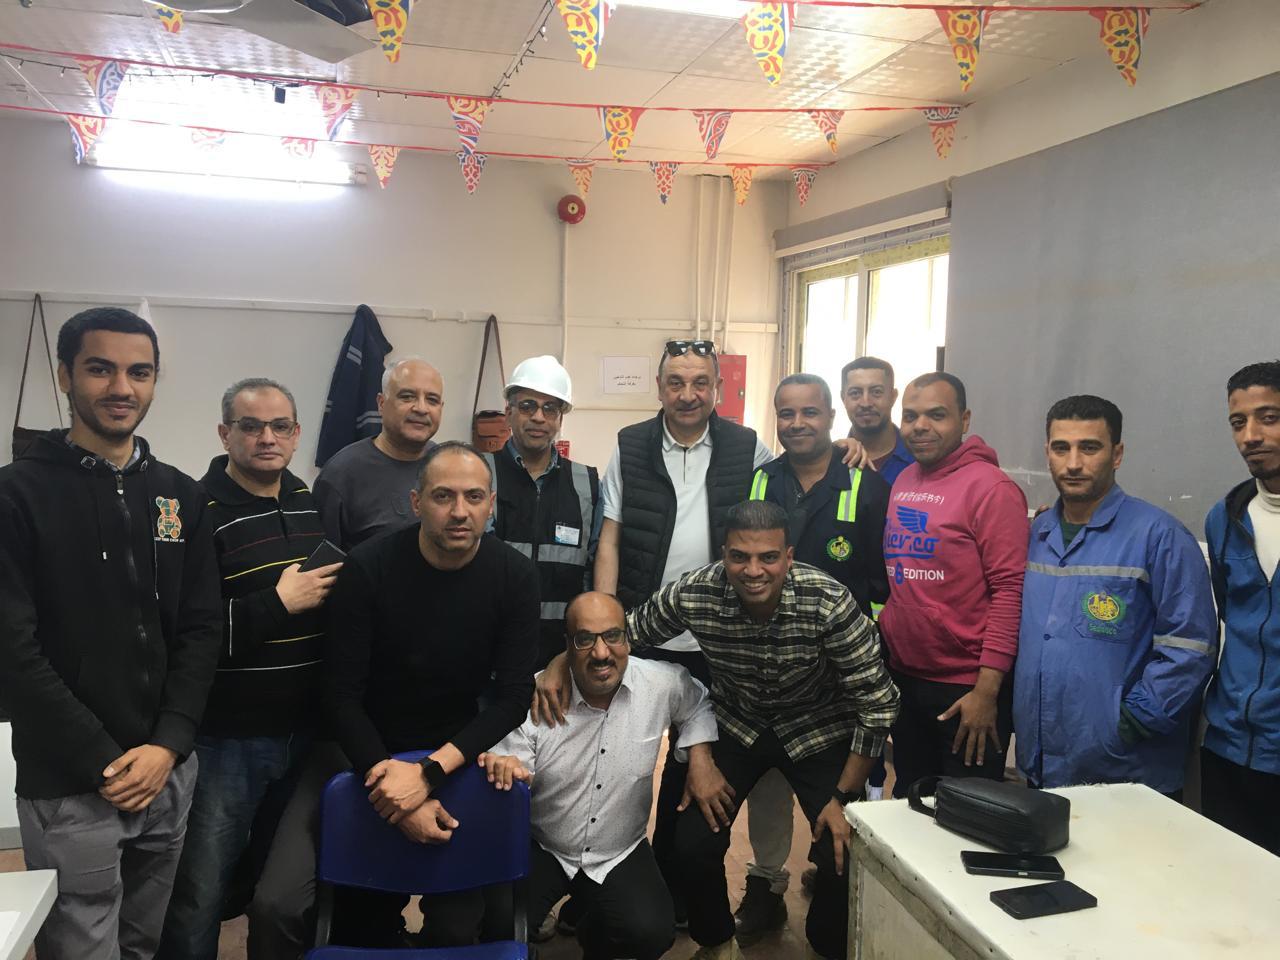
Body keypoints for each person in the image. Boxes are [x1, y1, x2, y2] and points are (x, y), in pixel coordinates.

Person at [540, 501, 898, 960]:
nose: (754, 571)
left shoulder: (828, 601)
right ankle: (716, 942)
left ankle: (827, 945)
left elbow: (879, 702)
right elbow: (618, 634)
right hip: (737, 724)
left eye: (768, 557)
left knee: (840, 849)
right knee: (692, 843)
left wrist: (843, 796)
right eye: (739, 557)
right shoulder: (697, 592)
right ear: (723, 554)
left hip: (817, 729)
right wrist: (560, 660)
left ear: (789, 557)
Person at [0, 307, 222, 960]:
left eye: (139, 372)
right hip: (71, 781)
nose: (122, 387)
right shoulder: (16, 495)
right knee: (82, 949)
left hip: (167, 772)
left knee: (140, 946)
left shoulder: (179, 496)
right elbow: (11, 649)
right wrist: (104, 758)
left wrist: (169, 743)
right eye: (101, 369)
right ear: (64, 376)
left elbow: (202, 628)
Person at [318, 441, 539, 947]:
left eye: (474, 496)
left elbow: (512, 697)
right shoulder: (369, 567)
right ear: (416, 503)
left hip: (453, 752)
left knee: (459, 927)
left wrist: (429, 774)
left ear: (491, 504)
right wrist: (391, 788)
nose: (460, 511)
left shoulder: (515, 576)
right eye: (443, 496)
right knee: (363, 925)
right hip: (370, 753)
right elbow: (340, 694)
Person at [588, 339, 774, 924]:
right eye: (676, 382)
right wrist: (608, 619)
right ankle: (603, 884)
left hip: (721, 637)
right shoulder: (631, 445)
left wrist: (848, 447)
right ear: (660, 387)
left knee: (695, 759)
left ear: (717, 387)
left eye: (700, 383)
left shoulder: (748, 447)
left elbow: (793, 486)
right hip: (646, 629)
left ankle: (676, 887)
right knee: (624, 756)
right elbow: (611, 537)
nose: (688, 394)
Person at [159, 378, 340, 959]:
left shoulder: (308, 501)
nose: (267, 438)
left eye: (280, 426)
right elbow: (187, 636)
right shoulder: (196, 510)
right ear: (224, 433)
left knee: (276, 888)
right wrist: (278, 603)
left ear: (297, 434)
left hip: (305, 736)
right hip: (226, 742)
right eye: (251, 426)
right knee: (200, 893)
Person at [479, 592, 728, 960]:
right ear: (567, 645)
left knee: (651, 933)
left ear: (627, 638)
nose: (601, 653)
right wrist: (509, 771)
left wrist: (700, 757)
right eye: (585, 639)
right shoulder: (537, 696)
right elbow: (511, 761)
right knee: (498, 922)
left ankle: (596, 938)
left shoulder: (660, 683)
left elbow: (697, 704)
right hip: (544, 844)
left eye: (613, 636)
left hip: (619, 849)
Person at [734, 373, 891, 942]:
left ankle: (836, 873)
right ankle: (766, 883)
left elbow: (881, 581)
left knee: (839, 784)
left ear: (831, 417)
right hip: (769, 665)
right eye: (787, 413)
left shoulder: (866, 486)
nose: (798, 423)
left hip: (839, 677)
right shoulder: (759, 480)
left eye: (810, 412)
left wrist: (868, 650)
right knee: (768, 781)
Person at [1014, 395, 1215, 797]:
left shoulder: (1159, 536)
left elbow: (1191, 645)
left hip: (1126, 769)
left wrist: (1131, 720)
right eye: (1061, 448)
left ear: (1117, 454)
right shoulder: (1038, 534)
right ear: (1047, 452)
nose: (1073, 463)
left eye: (1089, 447)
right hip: (1042, 761)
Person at [879, 372, 1028, 797]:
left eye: (936, 415)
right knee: (910, 801)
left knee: (965, 813)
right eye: (910, 416)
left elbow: (1009, 591)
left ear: (964, 420)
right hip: (907, 679)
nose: (920, 426)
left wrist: (987, 691)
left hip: (966, 689)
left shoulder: (992, 488)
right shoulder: (906, 479)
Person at [1202, 360, 1280, 852]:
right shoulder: (1224, 518)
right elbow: (1232, 614)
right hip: (1229, 749)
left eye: (1269, 418)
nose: (1250, 436)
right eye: (1238, 422)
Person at [486, 356, 602, 668]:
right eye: (528, 406)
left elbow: (592, 571)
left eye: (550, 408)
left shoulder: (587, 483)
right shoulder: (480, 474)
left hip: (563, 658)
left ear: (560, 418)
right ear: (508, 412)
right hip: (488, 652)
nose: (539, 417)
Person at [312, 356, 443, 549]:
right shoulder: (341, 475)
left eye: (432, 400)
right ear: (381, 404)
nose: (421, 408)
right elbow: (323, 562)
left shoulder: (447, 465)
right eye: (407, 396)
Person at [841, 356, 914, 485]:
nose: (866, 403)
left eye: (876, 392)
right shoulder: (830, 461)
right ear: (843, 399)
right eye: (855, 393)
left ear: (893, 396)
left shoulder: (917, 456)